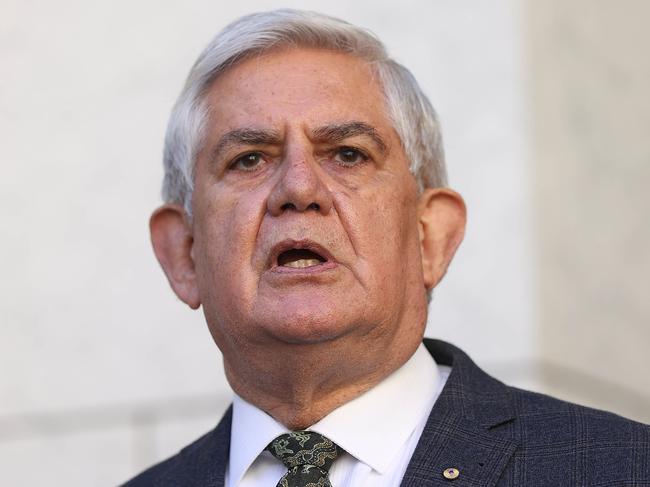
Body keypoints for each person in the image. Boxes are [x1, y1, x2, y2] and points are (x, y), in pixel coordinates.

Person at [124, 9, 649, 487]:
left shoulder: (622, 468)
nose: (298, 189)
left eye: (347, 154)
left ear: (430, 236)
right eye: (249, 159)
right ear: (183, 254)